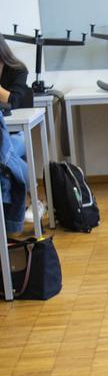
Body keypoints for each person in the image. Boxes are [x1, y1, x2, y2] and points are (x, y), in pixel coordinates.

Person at [0, 33, 31, 232]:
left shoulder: (17, 70)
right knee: (4, 162)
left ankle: (7, 220)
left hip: (15, 134)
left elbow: (14, 100)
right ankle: (28, 192)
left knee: (5, 152)